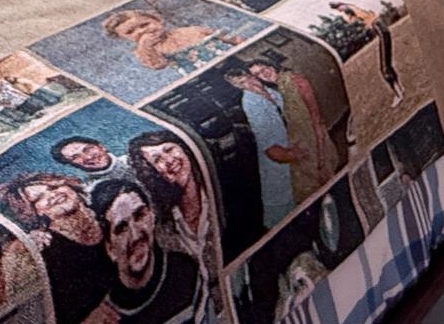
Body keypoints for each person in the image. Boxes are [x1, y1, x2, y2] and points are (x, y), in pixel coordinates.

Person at [65, 179, 211, 324]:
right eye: (121, 228)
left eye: (140, 215)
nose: (135, 235)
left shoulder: (184, 272)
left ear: (152, 217)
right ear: (110, 249)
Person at [0, 174, 117, 324]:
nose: (52, 195)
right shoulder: (45, 251)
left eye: (54, 187)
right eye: (39, 198)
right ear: (36, 212)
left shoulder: (107, 213)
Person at [244, 56, 339, 199]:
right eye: (257, 74)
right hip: (300, 145)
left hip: (315, 141)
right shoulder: (277, 91)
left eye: (264, 68)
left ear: (271, 65)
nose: (263, 74)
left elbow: (316, 119)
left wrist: (320, 153)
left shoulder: (296, 81)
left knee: (326, 184)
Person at [125, 130, 217, 265]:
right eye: (157, 160)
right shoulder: (162, 224)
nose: (168, 160)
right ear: (153, 172)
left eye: (169, 150)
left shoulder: (218, 196)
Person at [222, 66, 296, 228]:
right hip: (279, 160)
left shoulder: (272, 92)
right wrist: (300, 156)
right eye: (243, 83)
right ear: (238, 87)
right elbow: (271, 150)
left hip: (292, 148)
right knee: (282, 211)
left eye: (250, 78)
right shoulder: (250, 103)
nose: (250, 83)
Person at [100, 6, 236, 74]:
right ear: (123, 38)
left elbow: (227, 37)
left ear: (158, 20)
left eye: (144, 25)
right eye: (131, 32)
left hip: (234, 60)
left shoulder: (191, 30)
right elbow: (157, 65)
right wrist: (145, 47)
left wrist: (239, 42)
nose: (141, 31)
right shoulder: (143, 51)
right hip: (207, 74)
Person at [330, 0, 404, 105]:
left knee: (384, 68)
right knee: (387, 64)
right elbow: (354, 19)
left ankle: (398, 94)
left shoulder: (349, 8)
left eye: (338, 7)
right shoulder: (354, 7)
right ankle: (400, 88)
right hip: (380, 27)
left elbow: (350, 17)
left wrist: (347, 14)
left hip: (378, 28)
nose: (339, 10)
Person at [51, 135, 129, 186]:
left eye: (88, 149)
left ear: (101, 146)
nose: (88, 157)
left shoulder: (134, 159)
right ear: (72, 164)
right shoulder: (92, 189)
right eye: (75, 157)